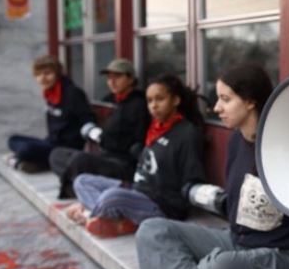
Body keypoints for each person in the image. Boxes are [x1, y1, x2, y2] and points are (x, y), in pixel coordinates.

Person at [135, 63, 289, 269]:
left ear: (250, 101)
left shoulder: (288, 146)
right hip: (236, 240)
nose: (216, 107)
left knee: (220, 268)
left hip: (281, 254)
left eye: (225, 99)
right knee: (152, 230)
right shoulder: (236, 141)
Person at [65, 73, 206, 238]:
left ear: (175, 100)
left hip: (161, 205)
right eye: (150, 101)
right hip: (138, 190)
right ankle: (113, 218)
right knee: (82, 181)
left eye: (160, 99)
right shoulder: (155, 128)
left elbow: (191, 178)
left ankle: (90, 213)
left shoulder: (187, 133)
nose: (154, 106)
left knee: (112, 197)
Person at [49, 58, 150, 198]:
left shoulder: (138, 105)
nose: (112, 82)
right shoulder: (111, 100)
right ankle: (81, 184)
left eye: (117, 77)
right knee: (56, 154)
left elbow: (137, 142)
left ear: (130, 79)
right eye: (109, 78)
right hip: (103, 156)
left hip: (122, 163)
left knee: (80, 160)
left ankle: (75, 187)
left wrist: (101, 137)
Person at [7, 55, 94, 173]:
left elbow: (88, 119)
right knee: (13, 140)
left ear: (57, 74)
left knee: (26, 150)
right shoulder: (50, 92)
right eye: (38, 75)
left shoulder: (73, 93)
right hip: (50, 142)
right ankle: (38, 162)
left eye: (47, 73)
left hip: (66, 149)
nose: (42, 78)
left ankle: (27, 161)